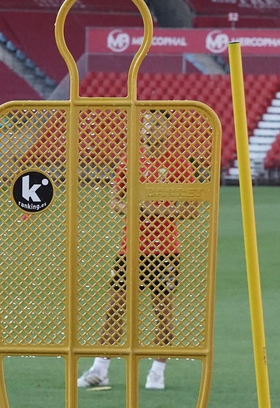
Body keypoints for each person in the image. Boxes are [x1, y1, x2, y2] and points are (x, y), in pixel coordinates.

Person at [76, 108, 195, 390]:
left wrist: (153, 211)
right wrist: (135, 207)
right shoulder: (130, 160)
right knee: (114, 309)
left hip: (165, 252)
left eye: (157, 123)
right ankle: (100, 369)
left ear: (168, 129)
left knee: (163, 313)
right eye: (146, 123)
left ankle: (157, 372)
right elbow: (115, 202)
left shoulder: (179, 164)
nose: (150, 128)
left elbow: (191, 210)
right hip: (130, 249)